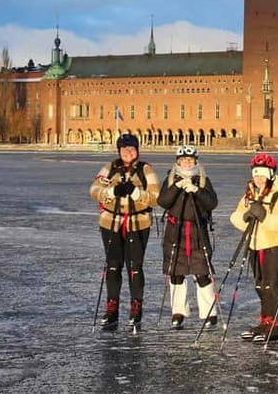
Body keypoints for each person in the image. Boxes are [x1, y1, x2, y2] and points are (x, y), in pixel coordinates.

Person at [89, 133, 160, 331]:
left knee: (134, 266)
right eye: (124, 150)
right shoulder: (110, 168)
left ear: (137, 150)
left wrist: (136, 193)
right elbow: (94, 190)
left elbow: (156, 198)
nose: (128, 153)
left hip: (138, 223)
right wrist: (111, 192)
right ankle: (112, 308)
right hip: (111, 222)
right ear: (119, 152)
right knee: (113, 265)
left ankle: (136, 307)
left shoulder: (146, 169)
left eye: (131, 149)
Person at [230, 153, 278, 343]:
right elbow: (235, 216)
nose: (259, 178)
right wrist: (246, 217)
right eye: (256, 174)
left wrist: (263, 216)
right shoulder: (249, 194)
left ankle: (276, 324)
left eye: (263, 174)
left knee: (273, 287)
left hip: (273, 246)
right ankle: (265, 320)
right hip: (254, 245)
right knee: (260, 286)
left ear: (271, 175)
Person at [158, 145, 218, 330]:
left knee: (202, 273)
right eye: (183, 160)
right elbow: (163, 201)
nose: (186, 163)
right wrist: (177, 187)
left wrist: (196, 190)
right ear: (177, 161)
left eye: (190, 160)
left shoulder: (202, 179)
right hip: (175, 230)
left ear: (196, 161)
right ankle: (178, 311)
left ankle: (210, 312)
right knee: (176, 272)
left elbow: (212, 203)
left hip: (197, 231)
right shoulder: (170, 179)